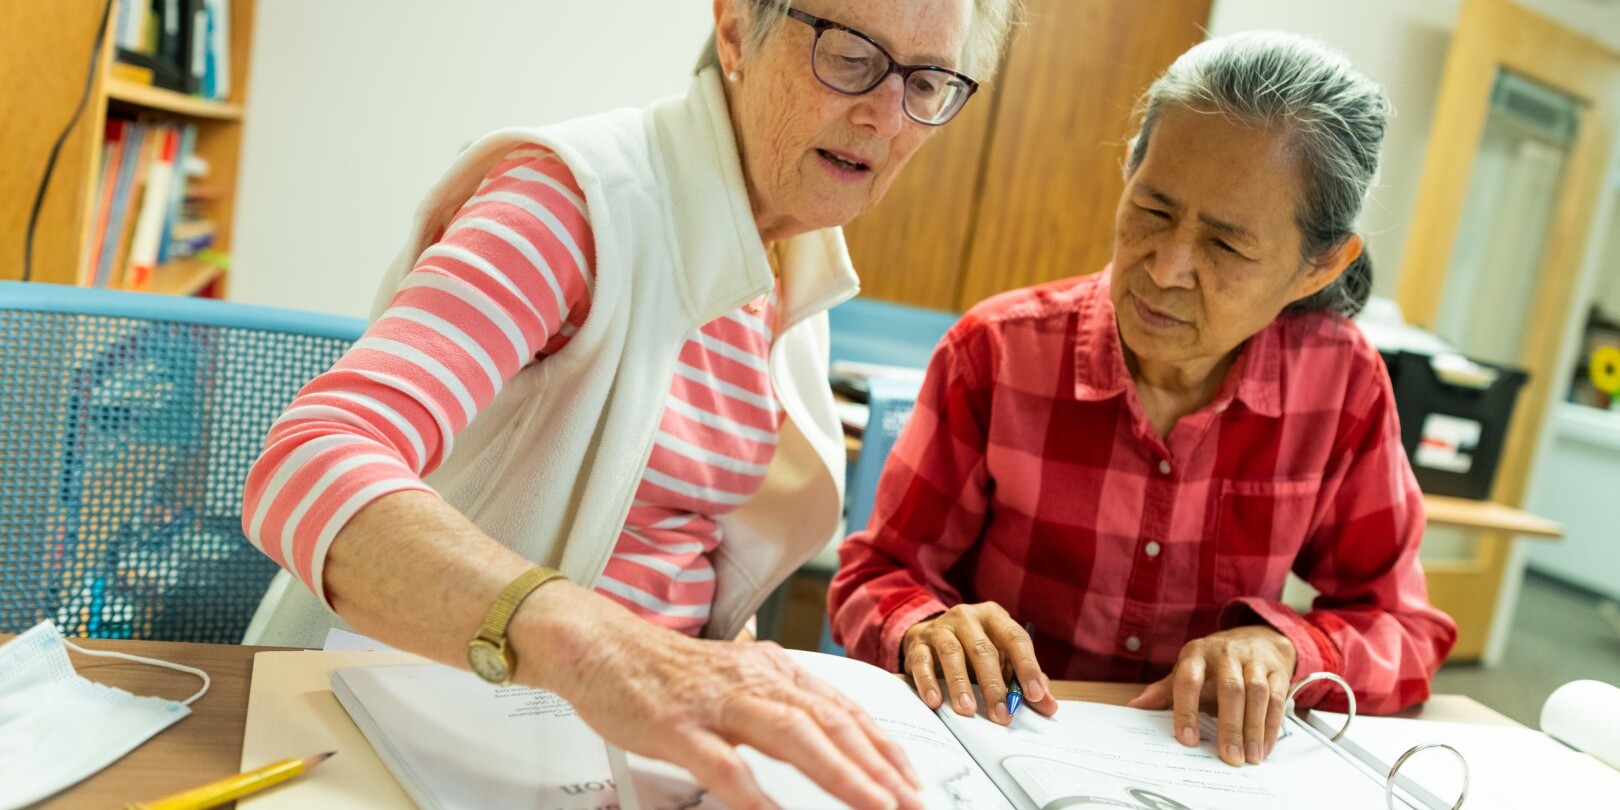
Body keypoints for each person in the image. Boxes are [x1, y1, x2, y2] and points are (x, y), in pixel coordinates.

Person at [240, 1, 1022, 807]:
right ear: (734, 30)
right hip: (400, 739)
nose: (887, 116)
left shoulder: (791, 265)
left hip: (608, 763)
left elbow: (673, 551)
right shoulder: (574, 202)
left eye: (925, 82)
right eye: (851, 55)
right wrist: (603, 650)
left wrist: (720, 670)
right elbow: (308, 461)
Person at [828, 30, 1458, 770]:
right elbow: (874, 576)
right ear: (1129, 169)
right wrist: (923, 625)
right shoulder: (997, 354)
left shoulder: (1340, 387)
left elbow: (1403, 627)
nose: (1166, 268)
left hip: (1204, 771)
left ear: (1318, 267)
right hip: (999, 750)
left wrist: (1291, 647)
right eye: (1153, 211)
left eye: (1226, 247)